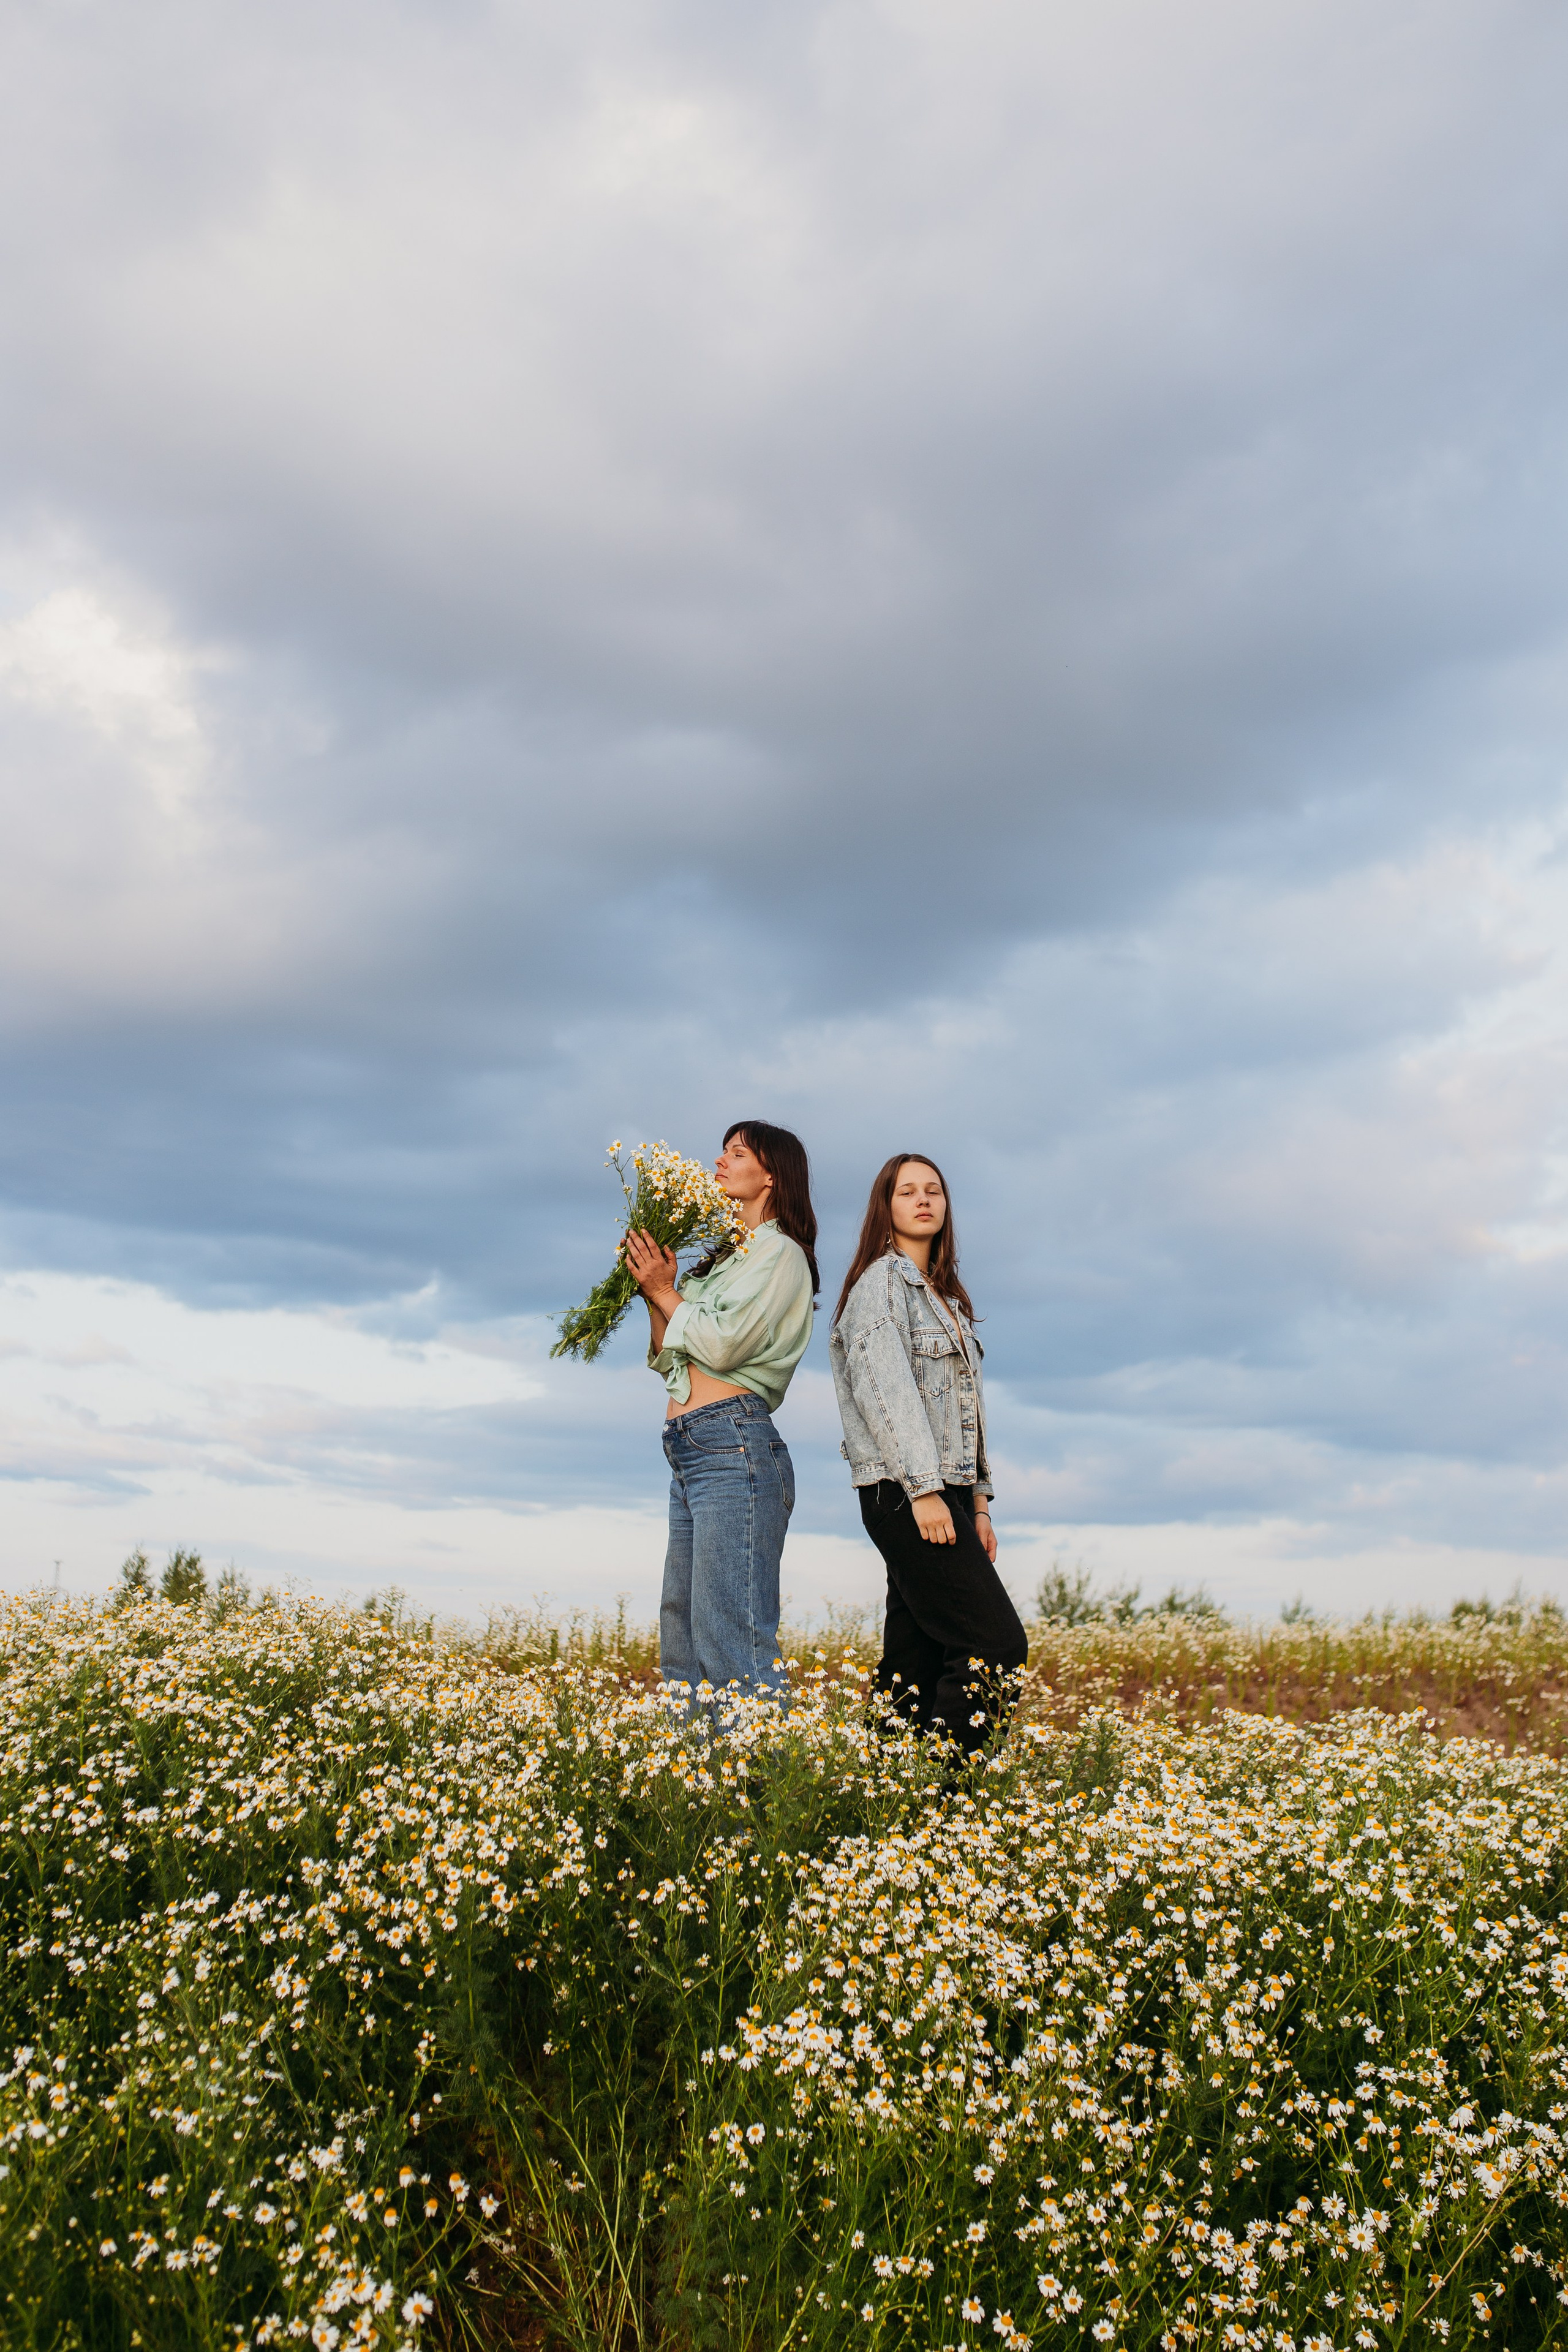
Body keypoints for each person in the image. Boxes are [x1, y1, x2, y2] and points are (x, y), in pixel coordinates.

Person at [830, 1153, 1027, 1754]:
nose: (923, 1199)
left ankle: (882, 1800)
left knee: (914, 1660)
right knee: (994, 1646)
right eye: (907, 1191)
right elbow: (888, 1397)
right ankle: (952, 1801)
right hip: (907, 1491)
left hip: (946, 1494)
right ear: (884, 1209)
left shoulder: (947, 1301)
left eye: (933, 1190)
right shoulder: (881, 1287)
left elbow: (969, 1415)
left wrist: (980, 1506)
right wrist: (925, 1491)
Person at [625, 1121, 818, 1698]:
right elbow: (668, 1358)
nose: (720, 1160)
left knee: (732, 1636)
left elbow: (725, 1345)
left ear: (771, 1176)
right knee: (681, 1632)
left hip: (733, 1444)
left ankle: (760, 1783)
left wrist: (666, 1292)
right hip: (691, 1447)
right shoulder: (725, 1262)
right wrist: (653, 1290)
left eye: (738, 1153)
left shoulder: (780, 1255)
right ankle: (698, 1781)